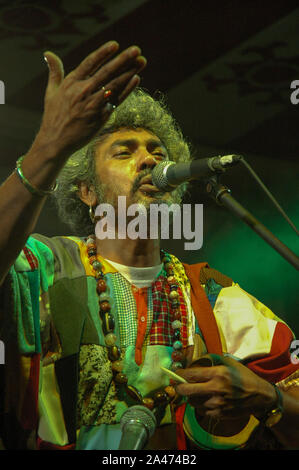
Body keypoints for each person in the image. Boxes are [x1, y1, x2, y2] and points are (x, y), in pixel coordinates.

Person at [0, 40, 298, 451]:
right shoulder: (45, 266)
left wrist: (268, 398)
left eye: (158, 152)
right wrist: (50, 146)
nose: (149, 161)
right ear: (86, 191)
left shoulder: (215, 298)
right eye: (125, 152)